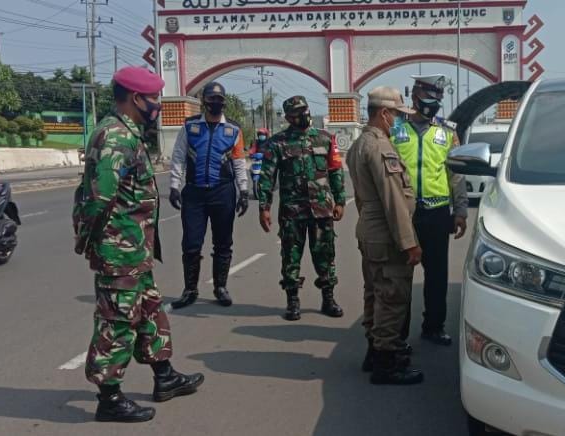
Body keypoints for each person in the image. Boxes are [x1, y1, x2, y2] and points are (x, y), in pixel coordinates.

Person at [72, 66, 203, 423]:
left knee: (149, 311)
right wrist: (88, 241)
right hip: (119, 250)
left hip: (135, 249)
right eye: (155, 99)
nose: (159, 104)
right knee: (116, 321)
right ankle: (109, 397)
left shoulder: (129, 133)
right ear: (135, 99)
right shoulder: (114, 137)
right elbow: (99, 199)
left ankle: (165, 376)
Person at [347, 86, 425, 385]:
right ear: (383, 113)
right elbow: (394, 200)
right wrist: (410, 243)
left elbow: (362, 197)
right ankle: (386, 363)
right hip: (387, 235)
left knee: (374, 294)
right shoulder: (381, 148)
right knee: (392, 297)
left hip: (370, 232)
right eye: (396, 115)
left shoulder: (359, 145)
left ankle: (374, 351)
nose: (399, 121)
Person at [392, 74, 468, 346]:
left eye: (437, 99)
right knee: (400, 276)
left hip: (437, 213)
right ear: (414, 97)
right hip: (404, 213)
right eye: (427, 98)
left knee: (437, 275)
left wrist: (460, 210)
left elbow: (456, 174)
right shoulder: (396, 128)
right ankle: (396, 333)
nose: (432, 104)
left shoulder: (447, 131)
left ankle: (434, 326)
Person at [257, 96, 346, 321]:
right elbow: (267, 177)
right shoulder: (277, 143)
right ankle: (292, 301)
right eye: (297, 113)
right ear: (288, 117)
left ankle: (328, 298)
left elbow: (335, 171)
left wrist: (340, 200)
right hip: (292, 212)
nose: (303, 115)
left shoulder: (325, 139)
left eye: (305, 110)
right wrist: (264, 207)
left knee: (325, 255)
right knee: (290, 256)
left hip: (322, 210)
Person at [168, 81, 250, 309]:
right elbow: (178, 156)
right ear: (204, 102)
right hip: (194, 192)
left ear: (224, 103)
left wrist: (243, 191)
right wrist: (174, 185)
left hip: (223, 191)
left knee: (223, 242)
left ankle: (220, 287)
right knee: (191, 243)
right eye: (211, 100)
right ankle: (190, 289)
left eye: (219, 100)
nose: (215, 104)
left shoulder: (233, 129)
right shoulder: (190, 126)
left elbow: (239, 162)